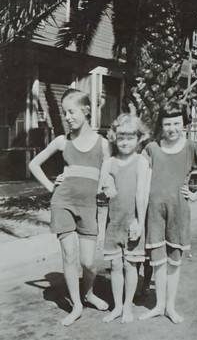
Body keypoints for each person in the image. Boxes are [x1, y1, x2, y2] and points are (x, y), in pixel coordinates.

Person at [29, 88, 110, 326]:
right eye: (65, 112)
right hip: (62, 203)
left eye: (71, 111)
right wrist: (51, 187)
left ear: (86, 111)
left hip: (88, 207)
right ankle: (76, 306)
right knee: (69, 255)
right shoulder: (62, 142)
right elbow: (35, 164)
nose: (67, 117)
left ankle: (89, 293)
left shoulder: (103, 144)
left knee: (88, 262)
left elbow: (110, 173)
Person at [139, 101, 197, 324]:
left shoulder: (191, 148)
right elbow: (138, 176)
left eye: (177, 123)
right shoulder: (152, 148)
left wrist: (196, 195)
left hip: (178, 214)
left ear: (184, 124)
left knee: (174, 262)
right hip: (154, 213)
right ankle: (158, 306)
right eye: (167, 124)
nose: (172, 128)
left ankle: (170, 307)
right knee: (157, 261)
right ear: (162, 125)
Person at [97, 113, 150, 323]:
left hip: (133, 221)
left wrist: (139, 220)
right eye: (120, 138)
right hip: (113, 223)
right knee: (116, 266)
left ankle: (128, 306)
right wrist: (106, 185)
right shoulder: (109, 163)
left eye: (129, 138)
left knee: (130, 266)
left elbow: (142, 194)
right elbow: (102, 188)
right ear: (114, 138)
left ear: (138, 139)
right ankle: (117, 306)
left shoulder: (141, 162)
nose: (125, 142)